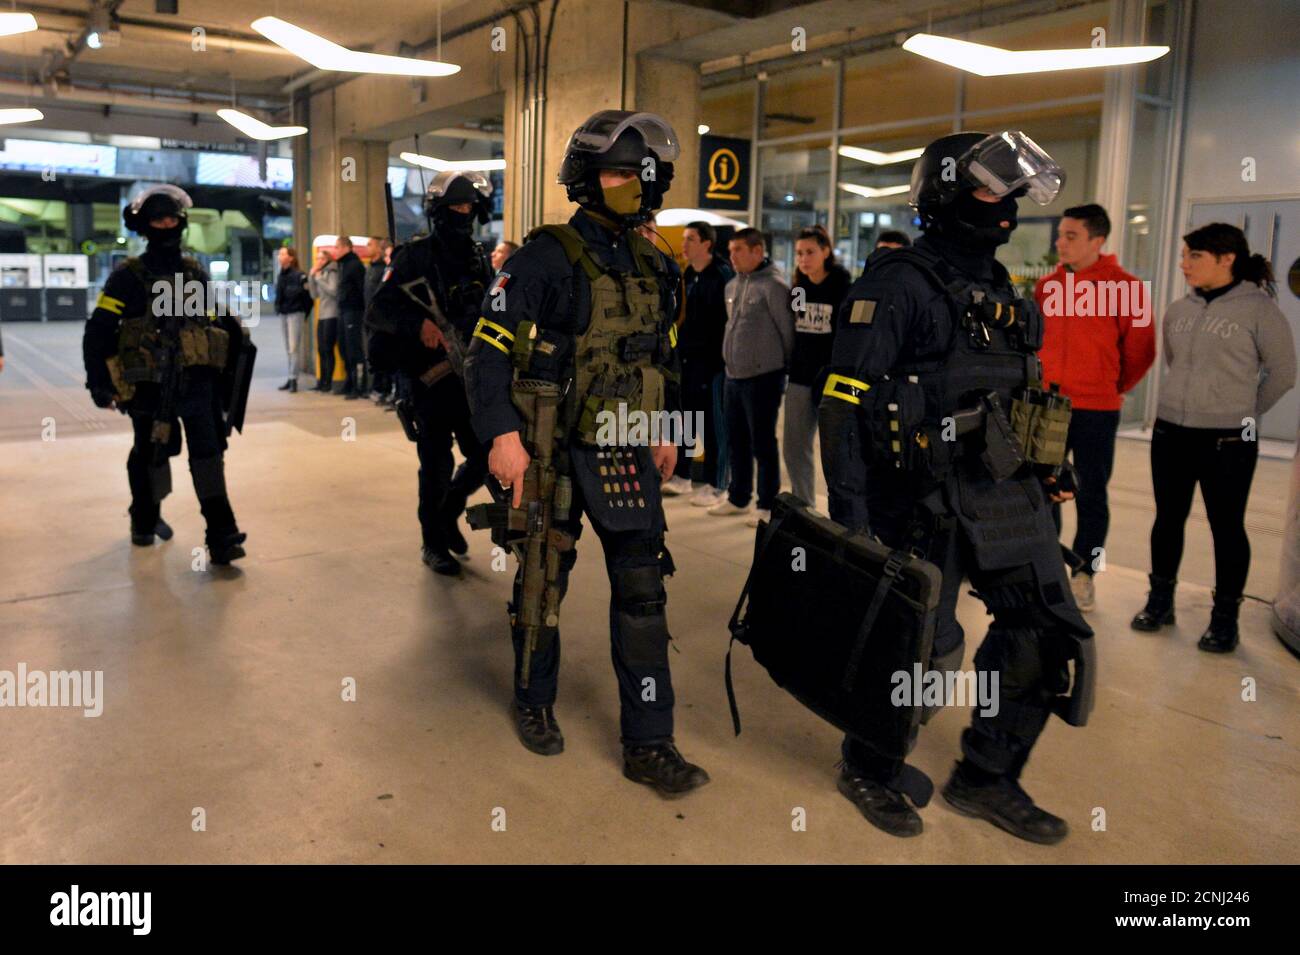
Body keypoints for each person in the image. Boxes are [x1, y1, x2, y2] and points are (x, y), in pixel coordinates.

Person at [821, 131, 1094, 843]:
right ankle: (869, 766)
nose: (1003, 206)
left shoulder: (1002, 289)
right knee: (923, 654)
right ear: (943, 192)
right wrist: (850, 523)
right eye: (986, 189)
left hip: (1005, 492)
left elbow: (1018, 390)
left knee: (1045, 634)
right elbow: (842, 404)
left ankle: (986, 776)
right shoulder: (895, 284)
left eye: (1011, 192)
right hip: (921, 499)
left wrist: (1049, 464)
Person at [464, 109, 709, 796]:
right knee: (543, 581)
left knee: (642, 592)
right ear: (586, 178)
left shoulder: (655, 262)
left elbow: (664, 355)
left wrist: (667, 430)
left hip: (627, 445)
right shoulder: (544, 257)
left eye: (641, 173)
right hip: (553, 450)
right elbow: (487, 352)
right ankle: (533, 697)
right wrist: (501, 437)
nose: (633, 184)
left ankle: (650, 741)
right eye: (618, 172)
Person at [1131, 223, 1295, 652]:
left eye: (1194, 257)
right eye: (1184, 256)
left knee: (1227, 528)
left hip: (1228, 441)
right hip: (1171, 432)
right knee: (1167, 519)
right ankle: (1159, 601)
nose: (1183, 265)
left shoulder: (1259, 310)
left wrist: (1243, 410)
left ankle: (1225, 619)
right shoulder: (1178, 310)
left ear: (1226, 260)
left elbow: (1283, 373)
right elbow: (1172, 360)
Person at [82, 184, 248, 563]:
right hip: (148, 386)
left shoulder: (193, 272)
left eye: (173, 218)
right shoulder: (128, 276)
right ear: (145, 226)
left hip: (197, 383)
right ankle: (143, 519)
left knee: (208, 455)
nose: (167, 224)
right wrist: (100, 383)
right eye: (159, 219)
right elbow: (99, 330)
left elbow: (215, 321)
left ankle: (222, 536)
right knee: (150, 453)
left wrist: (230, 363)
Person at [366, 172, 493, 576]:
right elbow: (377, 312)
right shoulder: (414, 256)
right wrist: (415, 326)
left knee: (489, 457)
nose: (463, 213)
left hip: (471, 378)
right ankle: (433, 542)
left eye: (468, 207)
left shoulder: (478, 255)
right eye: (455, 207)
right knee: (435, 467)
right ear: (438, 212)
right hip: (429, 381)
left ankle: (449, 512)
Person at [1035, 203, 1154, 612]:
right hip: (1048, 406)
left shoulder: (1128, 289)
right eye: (1060, 234)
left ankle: (1085, 573)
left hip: (1097, 409)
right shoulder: (1046, 288)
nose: (1060, 242)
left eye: (1071, 236)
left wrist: (1109, 387)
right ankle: (1047, 567)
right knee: (1043, 489)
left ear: (1097, 240)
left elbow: (1142, 352)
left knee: (1090, 494)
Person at [709, 227, 794, 527]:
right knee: (736, 440)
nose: (731, 256)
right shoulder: (732, 286)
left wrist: (784, 371)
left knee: (762, 444)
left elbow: (787, 332)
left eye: (739, 250)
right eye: (730, 250)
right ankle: (738, 496)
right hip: (733, 376)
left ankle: (767, 503)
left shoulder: (775, 287)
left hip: (764, 378)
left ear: (758, 251)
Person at [665, 220, 733, 506]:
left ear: (707, 243)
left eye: (691, 239)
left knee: (713, 423)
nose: (684, 244)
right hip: (688, 358)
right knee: (685, 418)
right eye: (684, 238)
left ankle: (718, 484)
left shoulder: (722, 276)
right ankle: (682, 474)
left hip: (713, 362)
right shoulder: (689, 273)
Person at [784, 224, 851, 507]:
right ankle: (804, 507)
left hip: (831, 378)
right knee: (794, 448)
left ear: (826, 252)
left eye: (810, 252)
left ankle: (845, 512)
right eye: (799, 253)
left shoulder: (842, 287)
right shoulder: (798, 287)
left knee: (837, 450)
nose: (803, 258)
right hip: (800, 376)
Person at [333, 235, 367, 399]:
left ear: (347, 247)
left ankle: (358, 385)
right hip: (343, 310)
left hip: (353, 311)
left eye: (337, 247)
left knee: (354, 348)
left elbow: (361, 289)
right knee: (343, 347)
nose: (335, 250)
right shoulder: (343, 264)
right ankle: (349, 381)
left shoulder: (354, 265)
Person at [274, 247, 312, 393]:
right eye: (280, 254)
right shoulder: (281, 275)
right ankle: (290, 378)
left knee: (293, 347)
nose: (280, 256)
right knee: (288, 348)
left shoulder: (300, 275)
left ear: (291, 258)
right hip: (284, 313)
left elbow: (307, 297)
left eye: (283, 254)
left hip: (295, 313)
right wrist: (278, 307)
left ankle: (293, 379)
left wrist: (304, 312)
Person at [363, 236, 394, 404]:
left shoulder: (385, 271)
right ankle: (379, 388)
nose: (367, 247)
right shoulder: (372, 268)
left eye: (370, 244)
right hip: (372, 318)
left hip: (383, 320)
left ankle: (386, 389)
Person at [309, 248, 339, 392]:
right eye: (317, 259)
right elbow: (314, 294)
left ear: (328, 259)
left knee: (328, 349)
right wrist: (312, 277)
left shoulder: (332, 272)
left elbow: (333, 291)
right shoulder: (319, 273)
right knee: (321, 349)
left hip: (331, 315)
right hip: (321, 315)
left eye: (321, 259)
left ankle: (328, 382)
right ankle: (321, 381)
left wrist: (320, 278)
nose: (318, 261)